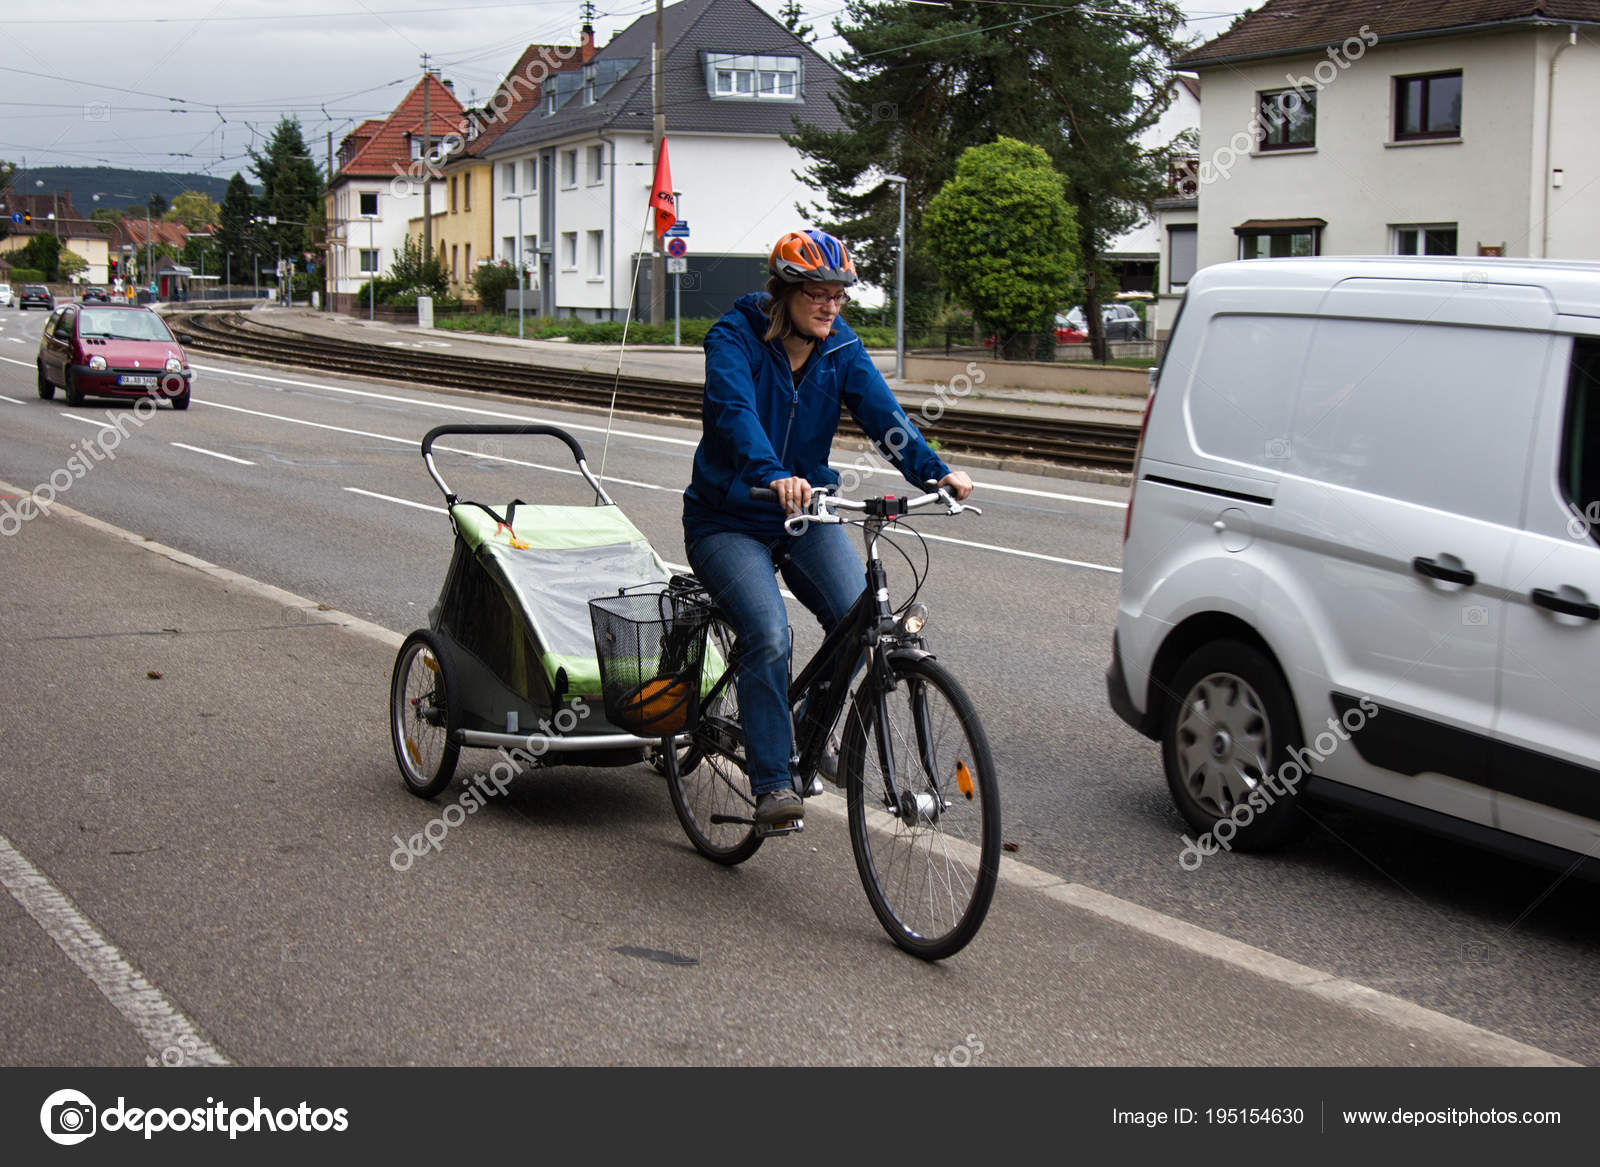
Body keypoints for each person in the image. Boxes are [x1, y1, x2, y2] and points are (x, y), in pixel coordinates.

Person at [682, 229, 972, 827]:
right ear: (784, 292)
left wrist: (935, 475)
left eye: (838, 295)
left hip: (805, 513)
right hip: (727, 518)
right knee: (768, 631)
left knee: (860, 621)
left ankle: (809, 736)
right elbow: (734, 413)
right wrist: (771, 473)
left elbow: (887, 418)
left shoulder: (840, 349)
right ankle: (771, 783)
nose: (830, 306)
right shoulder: (732, 339)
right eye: (817, 293)